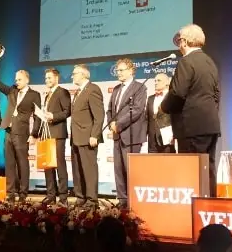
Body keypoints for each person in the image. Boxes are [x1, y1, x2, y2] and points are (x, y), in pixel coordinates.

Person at [161, 24, 221, 196]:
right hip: (210, 125)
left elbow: (177, 93)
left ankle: (193, 208)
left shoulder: (186, 62)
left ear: (184, 41)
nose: (179, 46)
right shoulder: (210, 62)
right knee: (208, 169)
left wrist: (163, 107)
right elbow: (217, 94)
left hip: (191, 127)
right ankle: (209, 206)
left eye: (179, 41)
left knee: (191, 172)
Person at [0, 68, 41, 203]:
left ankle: (23, 192)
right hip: (9, 131)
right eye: (16, 79)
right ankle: (10, 192)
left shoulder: (34, 95)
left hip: (22, 133)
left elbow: (37, 116)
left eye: (19, 79)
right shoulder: (12, 90)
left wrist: (34, 134)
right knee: (10, 163)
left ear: (27, 80)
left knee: (22, 163)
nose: (16, 81)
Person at [106, 58, 147, 208]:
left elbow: (136, 110)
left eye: (121, 70)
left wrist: (119, 124)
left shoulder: (139, 87)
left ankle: (133, 201)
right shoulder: (116, 89)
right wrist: (111, 123)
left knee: (131, 171)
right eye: (117, 70)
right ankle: (122, 200)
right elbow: (110, 110)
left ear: (131, 71)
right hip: (117, 135)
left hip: (131, 135)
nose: (118, 73)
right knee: (118, 170)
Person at [69, 64, 104, 206]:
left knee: (89, 170)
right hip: (76, 138)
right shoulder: (78, 92)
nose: (72, 76)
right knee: (77, 170)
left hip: (88, 137)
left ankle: (91, 200)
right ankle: (80, 197)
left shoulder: (93, 89)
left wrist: (94, 135)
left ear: (83, 75)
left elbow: (99, 116)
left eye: (74, 73)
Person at [40, 68, 71, 205]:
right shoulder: (47, 94)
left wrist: (53, 116)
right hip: (46, 134)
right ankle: (51, 194)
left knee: (59, 165)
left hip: (58, 133)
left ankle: (63, 197)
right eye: (46, 78)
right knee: (48, 165)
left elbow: (67, 111)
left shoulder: (62, 92)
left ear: (56, 78)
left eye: (49, 78)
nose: (47, 80)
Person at [146, 72, 175, 153]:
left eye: (159, 80)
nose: (156, 83)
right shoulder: (150, 98)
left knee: (168, 160)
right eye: (155, 81)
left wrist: (174, 134)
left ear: (167, 83)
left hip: (168, 138)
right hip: (152, 140)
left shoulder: (172, 97)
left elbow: (175, 117)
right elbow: (147, 118)